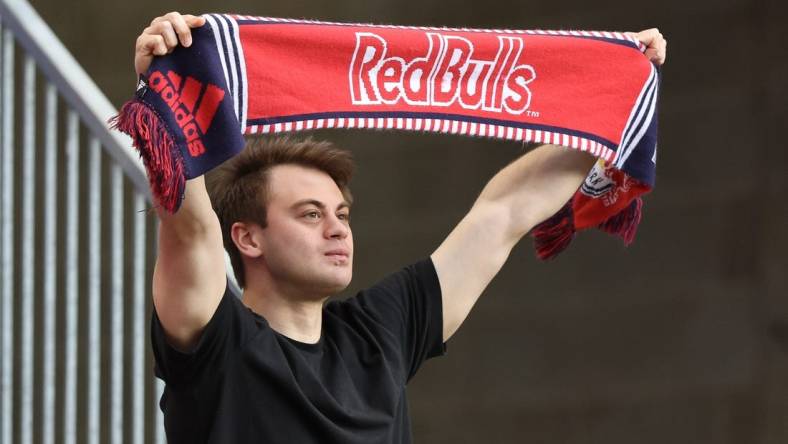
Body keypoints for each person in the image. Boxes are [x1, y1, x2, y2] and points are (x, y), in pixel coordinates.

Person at [136, 12, 666, 444]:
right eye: (311, 214)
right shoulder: (216, 339)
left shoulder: (378, 332)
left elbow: (503, 212)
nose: (338, 230)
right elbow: (190, 225)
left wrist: (612, 102)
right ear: (248, 238)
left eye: (341, 215)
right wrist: (165, 85)